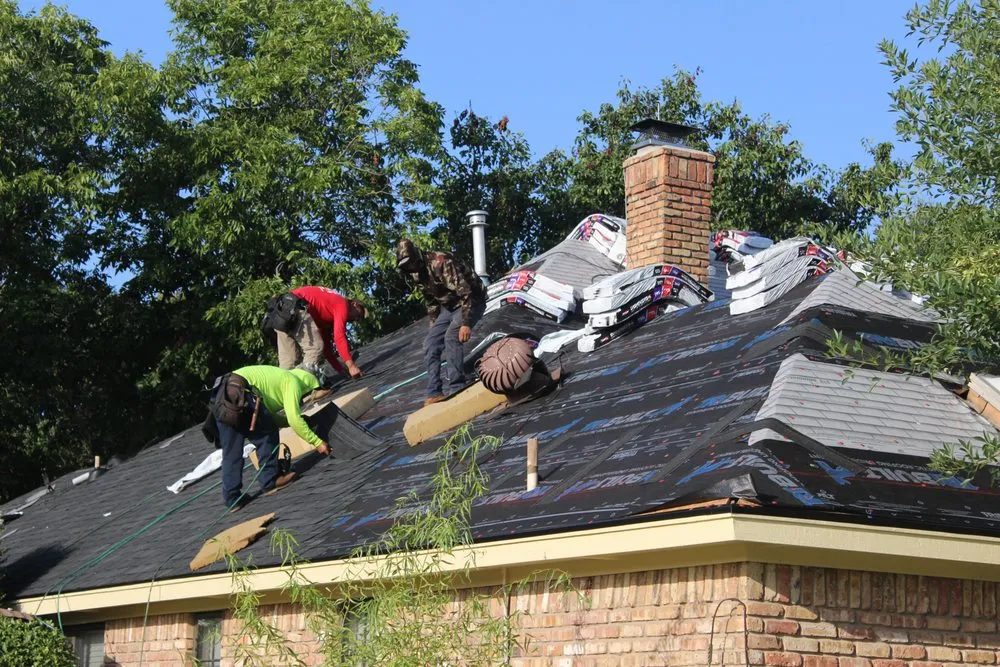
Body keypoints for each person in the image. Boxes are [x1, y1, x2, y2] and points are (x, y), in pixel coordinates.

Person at [208, 362, 334, 511]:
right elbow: (293, 419)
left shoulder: (278, 377)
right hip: (242, 393)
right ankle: (270, 480)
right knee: (267, 434)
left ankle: (232, 499)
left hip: (222, 396)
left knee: (231, 452)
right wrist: (317, 442)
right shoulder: (292, 381)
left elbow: (274, 417)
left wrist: (299, 422)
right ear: (309, 384)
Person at [396, 238, 487, 406]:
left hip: (472, 300)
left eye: (411, 263)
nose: (410, 267)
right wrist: (434, 328)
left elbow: (466, 291)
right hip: (449, 307)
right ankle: (435, 392)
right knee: (430, 343)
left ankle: (457, 386)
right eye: (406, 266)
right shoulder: (417, 274)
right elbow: (431, 302)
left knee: (452, 337)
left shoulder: (441, 262)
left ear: (417, 256)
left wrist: (466, 323)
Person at [270, 286, 367, 380]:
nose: (356, 319)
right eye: (358, 314)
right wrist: (351, 366)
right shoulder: (342, 304)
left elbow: (327, 349)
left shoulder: (327, 313)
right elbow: (339, 337)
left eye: (358, 319)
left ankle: (283, 392)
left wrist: (341, 370)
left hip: (283, 311)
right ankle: (306, 385)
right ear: (355, 304)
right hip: (297, 307)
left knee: (288, 361)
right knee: (315, 348)